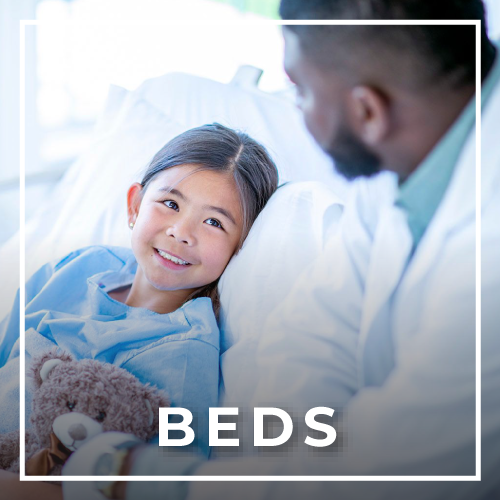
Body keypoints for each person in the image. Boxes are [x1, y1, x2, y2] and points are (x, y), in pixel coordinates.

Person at [7, 0, 500, 499]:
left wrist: (120, 470)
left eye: (301, 92)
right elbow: (313, 342)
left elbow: (397, 472)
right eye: (170, 203)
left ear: (367, 110)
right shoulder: (393, 185)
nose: (181, 231)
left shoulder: (484, 251)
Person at [0, 123, 278, 458]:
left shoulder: (184, 352)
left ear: (239, 249)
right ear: (135, 205)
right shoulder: (77, 266)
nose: (181, 232)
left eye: (214, 223)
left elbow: (147, 484)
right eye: (171, 203)